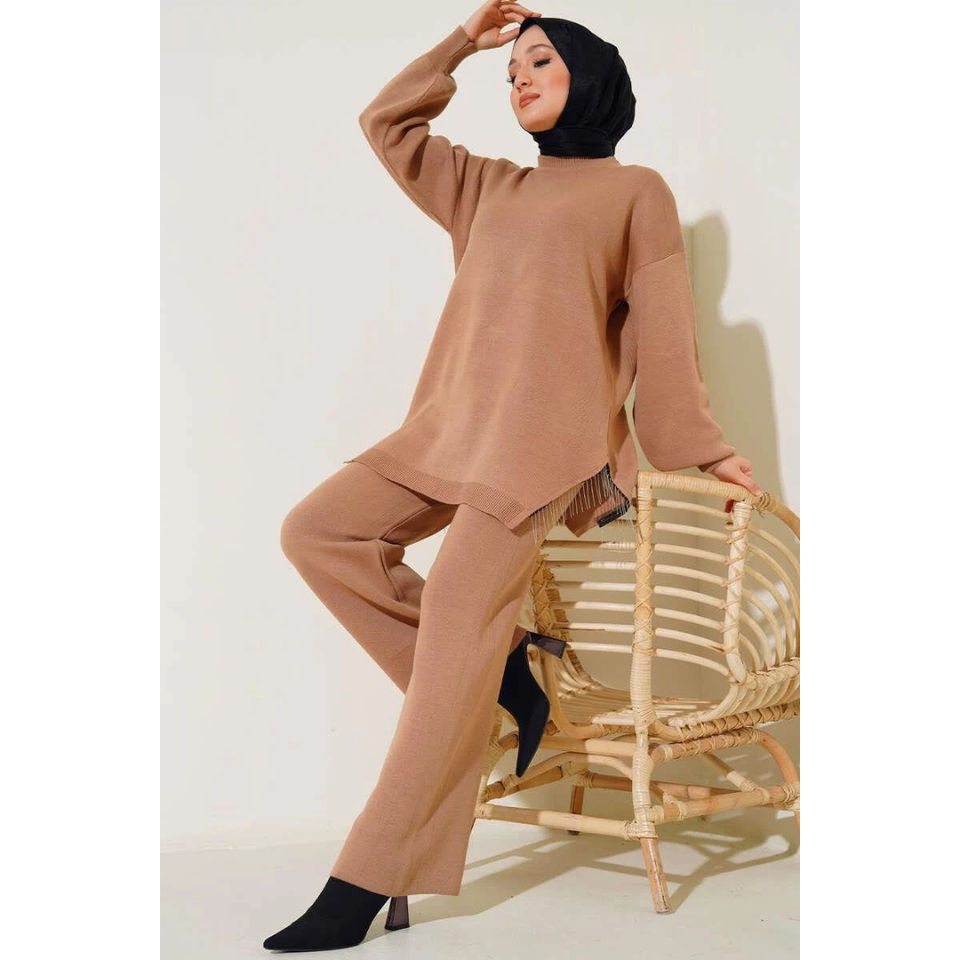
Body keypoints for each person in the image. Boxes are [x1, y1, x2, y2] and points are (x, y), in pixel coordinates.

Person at [263, 2, 764, 952]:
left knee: (454, 633)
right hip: (449, 428)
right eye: (512, 71)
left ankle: (365, 877)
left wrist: (700, 447)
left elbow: (665, 338)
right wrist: (464, 43)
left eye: (539, 62)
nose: (520, 78)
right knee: (317, 533)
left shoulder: (636, 193)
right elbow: (386, 124)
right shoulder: (485, 186)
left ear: (591, 77)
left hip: (540, 456)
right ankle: (505, 673)